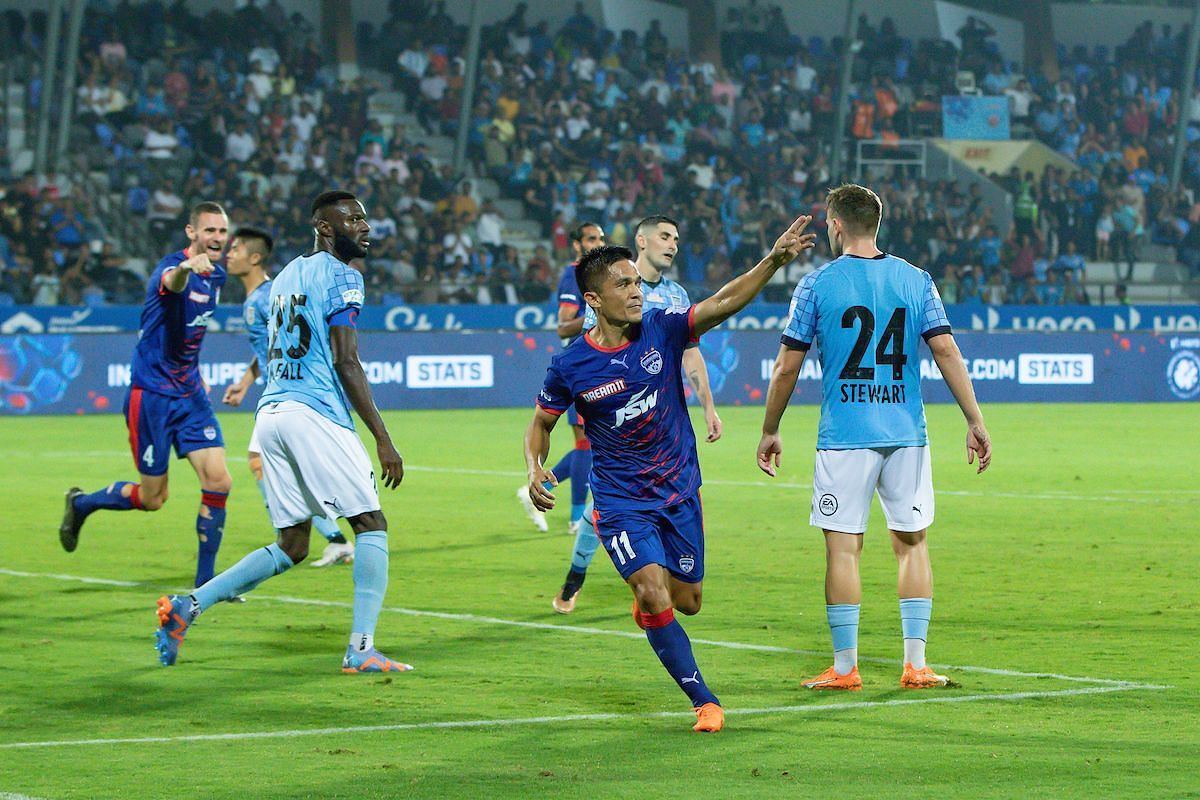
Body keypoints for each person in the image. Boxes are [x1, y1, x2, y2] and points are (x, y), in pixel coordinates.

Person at [524, 215, 817, 733]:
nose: (636, 292)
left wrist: (773, 261)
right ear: (593, 299)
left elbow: (723, 302)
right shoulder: (569, 366)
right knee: (655, 595)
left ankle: (652, 607)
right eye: (623, 285)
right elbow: (541, 424)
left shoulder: (662, 327)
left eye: (636, 282)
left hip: (679, 490)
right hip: (619, 503)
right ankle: (704, 700)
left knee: (689, 602)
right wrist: (534, 465)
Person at [154, 191, 410, 673]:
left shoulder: (287, 275)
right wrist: (382, 437)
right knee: (370, 524)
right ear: (325, 228)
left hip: (272, 414)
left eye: (365, 218)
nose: (366, 227)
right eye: (353, 219)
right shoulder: (344, 276)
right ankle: (360, 649)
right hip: (314, 412)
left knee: (292, 544)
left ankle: (187, 606)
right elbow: (346, 360)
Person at [756, 184, 992, 691]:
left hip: (845, 435)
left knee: (844, 550)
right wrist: (974, 419)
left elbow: (786, 368)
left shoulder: (817, 285)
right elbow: (946, 351)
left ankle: (845, 669)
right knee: (912, 545)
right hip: (906, 433)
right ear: (877, 222)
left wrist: (771, 428)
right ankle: (917, 664)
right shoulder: (916, 280)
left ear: (834, 224)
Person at [550, 215, 723, 614]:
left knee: (639, 507)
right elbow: (582, 338)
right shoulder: (613, 287)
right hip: (609, 403)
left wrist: (708, 406)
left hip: (659, 417)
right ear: (642, 242)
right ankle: (577, 578)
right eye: (664, 237)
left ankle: (646, 585)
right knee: (610, 500)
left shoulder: (677, 296)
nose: (673, 244)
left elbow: (691, 352)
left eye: (677, 238)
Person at [60, 202, 234, 592]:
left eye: (222, 232)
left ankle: (206, 585)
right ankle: (82, 504)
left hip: (190, 396)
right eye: (209, 231)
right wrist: (188, 268)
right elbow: (172, 282)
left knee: (219, 481)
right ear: (192, 233)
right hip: (152, 396)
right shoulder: (172, 269)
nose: (217, 239)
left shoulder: (217, 275)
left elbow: (190, 333)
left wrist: (198, 373)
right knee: (154, 498)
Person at [220, 226, 356, 567]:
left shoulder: (268, 295)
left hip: (291, 395)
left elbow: (296, 336)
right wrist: (246, 381)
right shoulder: (256, 298)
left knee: (269, 463)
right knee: (278, 466)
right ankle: (331, 536)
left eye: (235, 249)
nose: (229, 254)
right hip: (278, 393)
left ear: (254, 258)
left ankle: (324, 534)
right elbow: (270, 346)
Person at [516, 221, 606, 534]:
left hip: (600, 364)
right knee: (584, 443)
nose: (598, 243)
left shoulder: (600, 274)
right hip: (581, 367)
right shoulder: (574, 275)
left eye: (601, 238)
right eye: (591, 238)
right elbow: (564, 325)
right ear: (577, 245)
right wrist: (600, 310)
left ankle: (541, 489)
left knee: (592, 444)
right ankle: (577, 517)